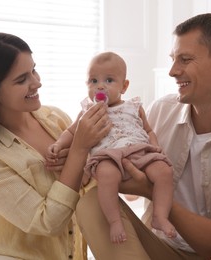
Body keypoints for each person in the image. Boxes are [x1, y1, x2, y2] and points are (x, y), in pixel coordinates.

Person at [76, 13, 211, 260]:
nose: (172, 71)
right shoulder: (159, 112)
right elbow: (129, 193)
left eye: (185, 60)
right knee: (92, 203)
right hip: (161, 248)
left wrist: (151, 191)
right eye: (173, 59)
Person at [0, 32, 111, 259]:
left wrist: (79, 163)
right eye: (21, 80)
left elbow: (90, 185)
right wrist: (79, 150)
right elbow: (48, 223)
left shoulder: (56, 118)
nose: (37, 82)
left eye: (34, 70)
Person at [45, 51, 176, 244]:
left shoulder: (134, 107)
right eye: (93, 80)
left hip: (139, 151)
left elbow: (148, 131)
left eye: (108, 80)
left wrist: (155, 147)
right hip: (108, 157)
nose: (100, 86)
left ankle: (160, 215)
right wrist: (58, 144)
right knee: (106, 175)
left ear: (124, 86)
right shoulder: (87, 111)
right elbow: (72, 132)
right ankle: (114, 221)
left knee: (164, 171)